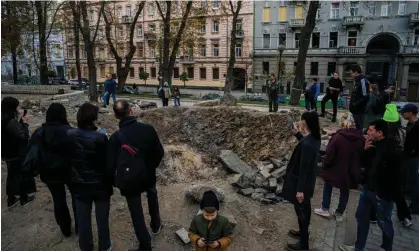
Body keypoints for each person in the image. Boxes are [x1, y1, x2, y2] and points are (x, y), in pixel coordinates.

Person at [107, 100, 164, 251]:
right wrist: (151, 167)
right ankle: (156, 225)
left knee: (136, 212)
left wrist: (116, 182)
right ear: (131, 111)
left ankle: (145, 245)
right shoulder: (148, 129)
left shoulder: (115, 138)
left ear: (115, 116)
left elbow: (110, 165)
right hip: (148, 174)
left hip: (129, 180)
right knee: (152, 195)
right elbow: (159, 152)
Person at [340, 119, 402, 251]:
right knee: (361, 218)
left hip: (382, 195)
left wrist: (383, 194)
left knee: (384, 222)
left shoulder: (393, 151)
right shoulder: (372, 145)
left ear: (380, 133)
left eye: (370, 130)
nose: (367, 132)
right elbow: (366, 166)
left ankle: (386, 248)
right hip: (368, 189)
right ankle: (359, 247)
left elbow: (396, 178)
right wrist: (365, 150)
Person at [67, 103, 113, 251]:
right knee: (102, 219)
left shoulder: (70, 134)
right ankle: (104, 246)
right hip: (100, 185)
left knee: (83, 219)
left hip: (80, 184)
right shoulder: (100, 137)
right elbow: (106, 162)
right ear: (93, 118)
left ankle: (86, 246)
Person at [29, 103, 77, 236]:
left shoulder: (39, 133)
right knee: (76, 197)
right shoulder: (69, 131)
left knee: (58, 199)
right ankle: (80, 226)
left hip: (48, 172)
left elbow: (32, 152)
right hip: (69, 171)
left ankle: (65, 229)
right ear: (63, 115)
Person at [314, 113, 365, 222]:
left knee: (328, 185)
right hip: (351, 170)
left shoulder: (337, 137)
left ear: (341, 123)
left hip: (335, 168)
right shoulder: (360, 138)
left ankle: (325, 208)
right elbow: (362, 154)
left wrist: (325, 165)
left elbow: (329, 153)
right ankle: (339, 213)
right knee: (345, 190)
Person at [282, 111, 321, 251]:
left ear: (305, 122)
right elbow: (306, 144)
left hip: (302, 183)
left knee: (301, 211)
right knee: (306, 208)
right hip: (308, 182)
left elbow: (303, 168)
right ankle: (303, 233)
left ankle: (304, 244)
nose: (299, 122)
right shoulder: (315, 138)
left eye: (301, 120)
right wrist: (297, 134)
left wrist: (299, 190)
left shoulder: (308, 144)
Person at [1, 97, 36, 207]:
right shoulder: (10, 122)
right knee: (20, 176)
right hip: (15, 152)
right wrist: (25, 124)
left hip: (6, 153)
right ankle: (23, 198)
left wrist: (20, 122)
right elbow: (23, 136)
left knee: (11, 176)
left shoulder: (3, 119)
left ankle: (11, 199)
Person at [382, 104, 412, 227]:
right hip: (397, 165)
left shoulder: (399, 133)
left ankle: (404, 216)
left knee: (393, 192)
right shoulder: (402, 131)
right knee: (396, 192)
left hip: (393, 164)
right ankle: (405, 217)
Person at [400, 104, 419, 215]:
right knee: (408, 180)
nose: (402, 114)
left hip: (413, 157)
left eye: (404, 112)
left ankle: (416, 207)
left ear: (410, 113)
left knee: (413, 182)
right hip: (407, 155)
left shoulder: (417, 126)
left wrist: (413, 151)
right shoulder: (410, 124)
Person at [349, 65, 369, 130]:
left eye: (351, 73)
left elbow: (365, 97)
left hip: (359, 111)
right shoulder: (357, 81)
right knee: (356, 128)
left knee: (359, 128)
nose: (350, 75)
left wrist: (355, 104)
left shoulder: (362, 81)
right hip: (355, 110)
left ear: (356, 72)